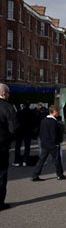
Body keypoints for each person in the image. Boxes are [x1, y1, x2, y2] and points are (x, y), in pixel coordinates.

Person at [31, 105, 66, 181]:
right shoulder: (53, 122)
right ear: (54, 112)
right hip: (52, 144)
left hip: (45, 144)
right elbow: (53, 134)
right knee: (57, 160)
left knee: (41, 160)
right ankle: (60, 174)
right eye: (57, 111)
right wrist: (57, 143)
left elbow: (41, 132)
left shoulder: (43, 120)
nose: (58, 113)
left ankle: (35, 175)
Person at [0, 83, 20, 211]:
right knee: (1, 174)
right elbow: (14, 127)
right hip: (1, 145)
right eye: (8, 93)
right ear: (4, 93)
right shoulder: (7, 107)